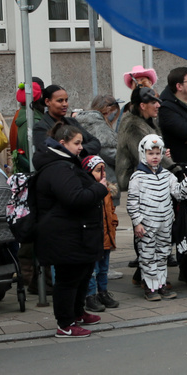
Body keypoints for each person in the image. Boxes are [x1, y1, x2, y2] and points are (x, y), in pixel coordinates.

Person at [31, 123, 110, 337]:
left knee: (82, 273)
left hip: (75, 232)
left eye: (81, 143)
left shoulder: (65, 163)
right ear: (62, 143)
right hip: (63, 234)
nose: (80, 148)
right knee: (68, 278)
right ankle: (65, 324)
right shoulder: (58, 167)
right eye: (76, 143)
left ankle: (77, 313)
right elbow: (75, 198)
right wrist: (99, 188)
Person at [126, 134, 187, 301]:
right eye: (151, 153)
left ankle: (161, 284)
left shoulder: (167, 175)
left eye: (158, 153)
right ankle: (150, 287)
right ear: (143, 154)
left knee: (163, 253)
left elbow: (180, 193)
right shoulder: (137, 177)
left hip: (165, 223)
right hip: (147, 225)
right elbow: (132, 203)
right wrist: (137, 223)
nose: (155, 157)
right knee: (147, 255)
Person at [82, 155, 119, 312]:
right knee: (92, 270)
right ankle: (90, 295)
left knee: (104, 269)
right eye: (98, 170)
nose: (103, 173)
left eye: (104, 170)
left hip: (106, 237)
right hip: (94, 238)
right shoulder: (89, 191)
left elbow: (111, 211)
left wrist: (113, 224)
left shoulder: (107, 191)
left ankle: (103, 292)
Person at [115, 86, 170, 192]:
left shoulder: (147, 120)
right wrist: (175, 170)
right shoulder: (133, 125)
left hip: (147, 181)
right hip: (136, 185)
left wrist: (164, 153)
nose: (158, 105)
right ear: (142, 106)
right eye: (153, 103)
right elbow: (147, 156)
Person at [31, 84, 101, 160]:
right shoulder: (41, 127)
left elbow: (95, 142)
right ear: (47, 102)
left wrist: (80, 149)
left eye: (66, 100)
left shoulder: (72, 122)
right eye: (60, 101)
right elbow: (47, 153)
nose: (65, 104)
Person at [77, 95, 121, 176]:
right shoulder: (97, 124)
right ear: (106, 111)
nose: (114, 117)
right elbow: (107, 152)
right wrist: (127, 158)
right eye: (113, 113)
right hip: (105, 173)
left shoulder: (89, 121)